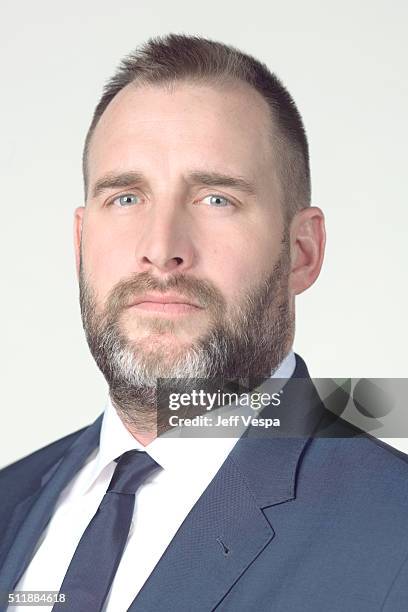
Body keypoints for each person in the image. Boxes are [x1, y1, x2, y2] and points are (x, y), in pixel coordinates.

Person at [1, 33, 408, 612]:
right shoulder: (10, 501)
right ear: (80, 240)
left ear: (302, 251)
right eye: (125, 198)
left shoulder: (394, 534)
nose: (161, 248)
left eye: (216, 198)